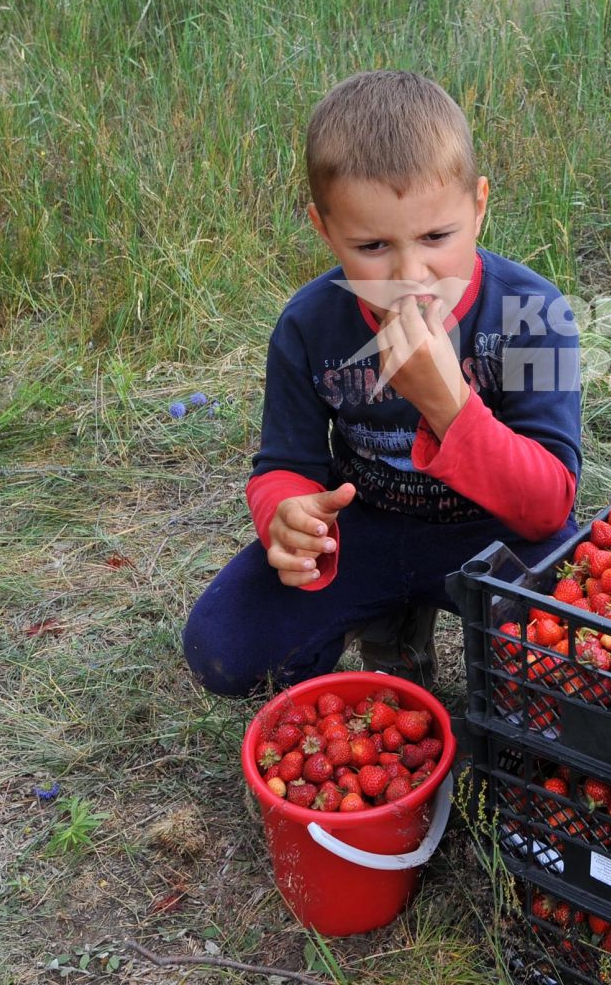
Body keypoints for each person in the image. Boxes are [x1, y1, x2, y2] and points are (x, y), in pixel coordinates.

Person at [182, 71, 582, 694]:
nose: (410, 273)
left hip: (495, 533)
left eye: (436, 237)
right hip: (364, 526)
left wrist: (448, 405)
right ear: (324, 228)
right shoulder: (308, 324)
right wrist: (284, 513)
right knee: (225, 647)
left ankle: (466, 651)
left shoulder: (534, 313)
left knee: (590, 649)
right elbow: (285, 462)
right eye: (371, 245)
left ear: (478, 205)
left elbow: (549, 503)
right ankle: (388, 616)